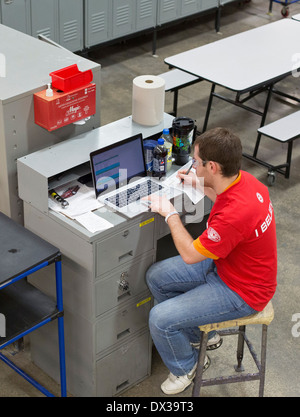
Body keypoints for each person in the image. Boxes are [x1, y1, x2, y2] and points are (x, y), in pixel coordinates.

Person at [143, 127, 277, 395]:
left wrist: (170, 213)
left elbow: (191, 255)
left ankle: (186, 367)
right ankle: (199, 337)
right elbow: (225, 198)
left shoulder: (233, 216)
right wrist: (197, 183)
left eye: (197, 162)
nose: (194, 165)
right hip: (230, 265)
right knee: (157, 276)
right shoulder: (247, 181)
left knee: (159, 318)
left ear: (212, 166)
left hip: (242, 291)